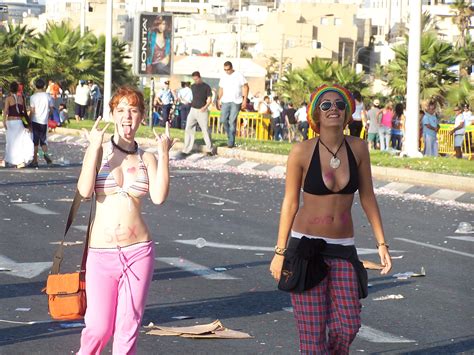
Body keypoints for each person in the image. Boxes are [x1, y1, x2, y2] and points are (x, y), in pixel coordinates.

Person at [270, 84, 391, 354]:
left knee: (348, 323)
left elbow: (368, 196)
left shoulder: (358, 148)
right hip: (305, 249)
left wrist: (382, 244)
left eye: (339, 105)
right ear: (316, 114)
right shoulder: (301, 152)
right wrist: (280, 252)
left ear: (348, 113)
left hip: (343, 248)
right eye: (325, 105)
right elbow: (290, 202)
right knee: (312, 338)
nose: (333, 109)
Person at [76, 86, 176, 354]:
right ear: (112, 114)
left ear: (142, 116)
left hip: (138, 253)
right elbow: (85, 191)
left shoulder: (147, 158)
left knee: (127, 328)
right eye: (120, 110)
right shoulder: (100, 152)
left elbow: (158, 197)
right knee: (97, 329)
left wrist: (164, 154)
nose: (127, 116)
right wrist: (94, 147)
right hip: (101, 254)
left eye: (133, 110)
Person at [182, 71, 215, 156]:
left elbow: (209, 99)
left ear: (199, 77)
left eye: (196, 79)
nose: (195, 81)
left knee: (205, 130)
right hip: (193, 110)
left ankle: (210, 149)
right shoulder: (192, 86)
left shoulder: (206, 87)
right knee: (188, 127)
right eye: (194, 79)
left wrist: (205, 107)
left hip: (202, 111)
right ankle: (186, 149)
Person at [217, 61, 249, 148]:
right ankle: (230, 135)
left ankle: (231, 141)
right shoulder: (223, 76)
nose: (227, 71)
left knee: (232, 120)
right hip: (225, 100)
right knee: (223, 120)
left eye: (228, 69)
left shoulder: (238, 75)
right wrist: (219, 99)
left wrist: (245, 99)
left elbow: (246, 86)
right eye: (225, 70)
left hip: (236, 101)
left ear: (231, 68)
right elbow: (221, 88)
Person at [2, 81, 34, 168]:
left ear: (10, 89)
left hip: (11, 122)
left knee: (11, 142)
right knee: (20, 141)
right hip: (19, 121)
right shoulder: (21, 98)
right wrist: (27, 123)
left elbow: (5, 111)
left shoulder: (8, 99)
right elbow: (23, 112)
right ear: (17, 89)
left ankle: (11, 159)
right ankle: (20, 161)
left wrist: (4, 121)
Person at [29, 78, 54, 167]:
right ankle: (46, 155)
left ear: (36, 86)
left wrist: (29, 121)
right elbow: (51, 110)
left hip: (35, 121)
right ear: (44, 86)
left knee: (35, 141)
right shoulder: (48, 96)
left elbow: (32, 111)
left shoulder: (33, 97)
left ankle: (35, 160)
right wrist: (47, 115)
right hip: (44, 121)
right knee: (43, 140)